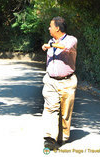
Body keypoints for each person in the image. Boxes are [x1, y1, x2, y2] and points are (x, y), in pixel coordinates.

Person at [42, 16, 78, 150]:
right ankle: (50, 138)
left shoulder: (71, 40)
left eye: (50, 26)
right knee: (50, 108)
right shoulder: (50, 41)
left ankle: (62, 137)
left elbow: (65, 47)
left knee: (65, 113)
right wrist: (49, 45)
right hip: (51, 81)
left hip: (67, 81)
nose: (49, 28)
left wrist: (50, 45)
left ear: (57, 28)